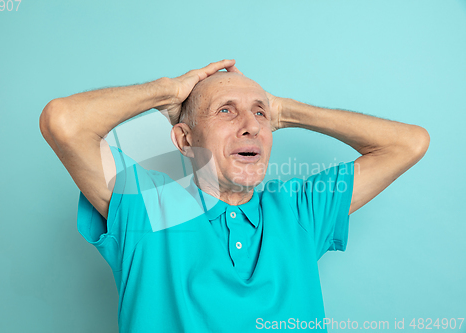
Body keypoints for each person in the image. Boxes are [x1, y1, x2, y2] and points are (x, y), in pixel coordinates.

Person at [39, 59, 430, 332]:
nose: (251, 127)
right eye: (226, 111)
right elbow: (64, 121)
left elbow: (410, 142)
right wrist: (168, 92)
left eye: (260, 115)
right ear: (185, 139)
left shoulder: (301, 210)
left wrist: (287, 110)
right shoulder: (147, 205)